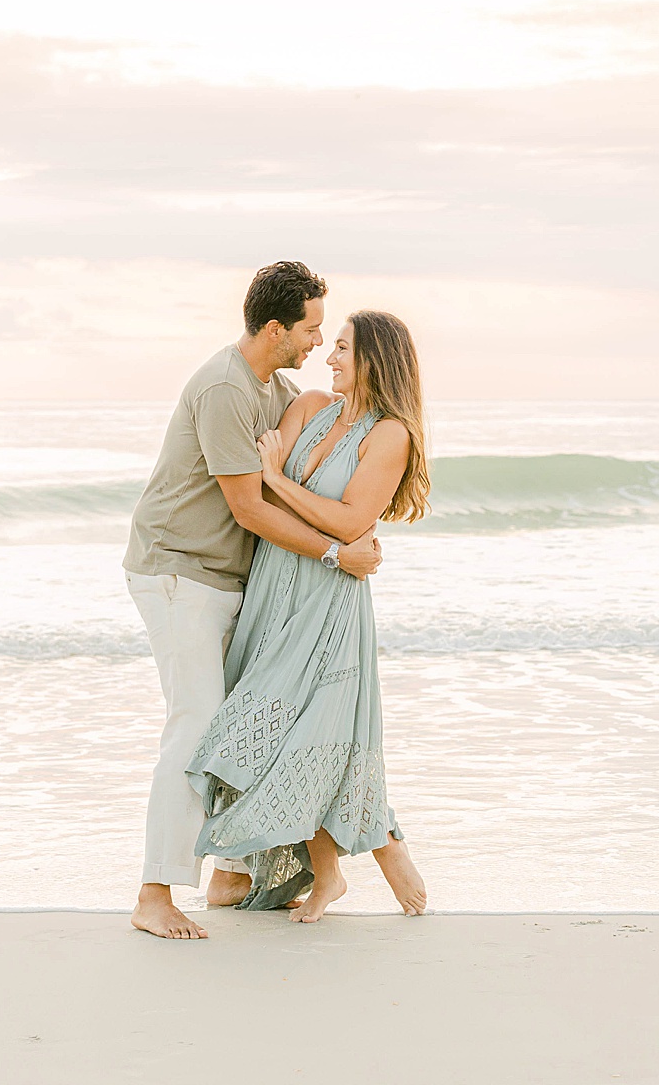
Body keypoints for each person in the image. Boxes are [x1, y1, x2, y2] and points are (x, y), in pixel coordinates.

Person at [123, 262, 383, 940]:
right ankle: (154, 893)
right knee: (197, 725)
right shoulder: (223, 390)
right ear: (275, 328)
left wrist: (358, 524)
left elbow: (299, 485)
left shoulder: (281, 392)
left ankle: (232, 874)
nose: (318, 342)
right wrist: (334, 554)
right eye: (310, 328)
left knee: (241, 720)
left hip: (231, 584)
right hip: (181, 575)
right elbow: (248, 507)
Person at [186, 310, 431, 923]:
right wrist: (278, 486)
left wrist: (278, 477)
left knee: (314, 734)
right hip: (276, 586)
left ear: (375, 359)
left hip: (331, 599)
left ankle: (353, 859)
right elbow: (263, 500)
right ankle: (336, 866)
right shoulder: (309, 406)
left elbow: (352, 521)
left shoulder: (391, 435)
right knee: (262, 728)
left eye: (343, 348)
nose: (329, 355)